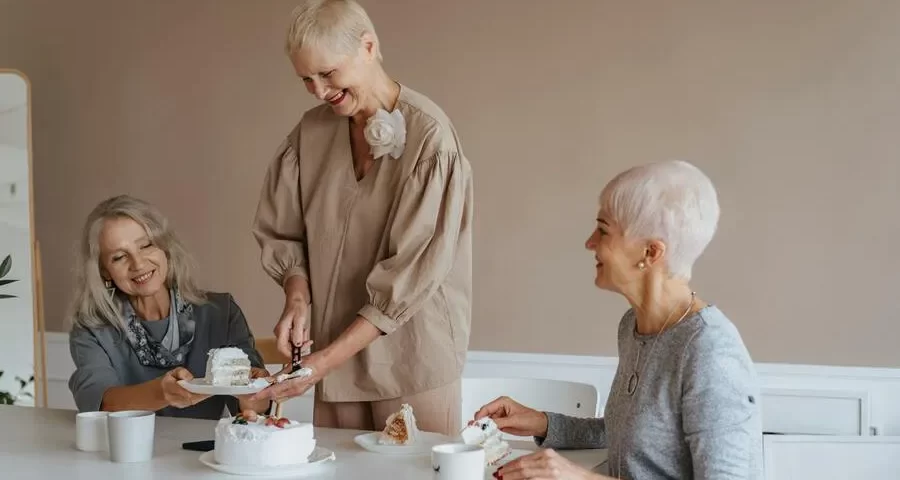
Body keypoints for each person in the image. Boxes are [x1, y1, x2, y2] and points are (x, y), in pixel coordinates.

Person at [249, 0, 473, 436]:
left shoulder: (431, 139)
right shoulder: (311, 133)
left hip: (412, 358)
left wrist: (321, 364)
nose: (317, 90)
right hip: (332, 359)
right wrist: (297, 297)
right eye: (306, 80)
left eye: (327, 74)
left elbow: (412, 272)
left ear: (368, 47)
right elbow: (284, 233)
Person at [474, 161, 763, 480]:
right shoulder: (633, 327)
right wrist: (543, 422)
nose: (589, 242)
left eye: (603, 229)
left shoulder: (711, 352)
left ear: (651, 253)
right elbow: (631, 434)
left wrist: (582, 478)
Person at [67, 195, 271, 419]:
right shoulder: (91, 328)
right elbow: (99, 402)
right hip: (124, 451)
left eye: (146, 245)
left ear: (165, 247)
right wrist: (162, 393)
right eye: (119, 257)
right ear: (104, 271)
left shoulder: (221, 312)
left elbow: (256, 410)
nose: (138, 263)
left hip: (203, 452)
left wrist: (253, 392)